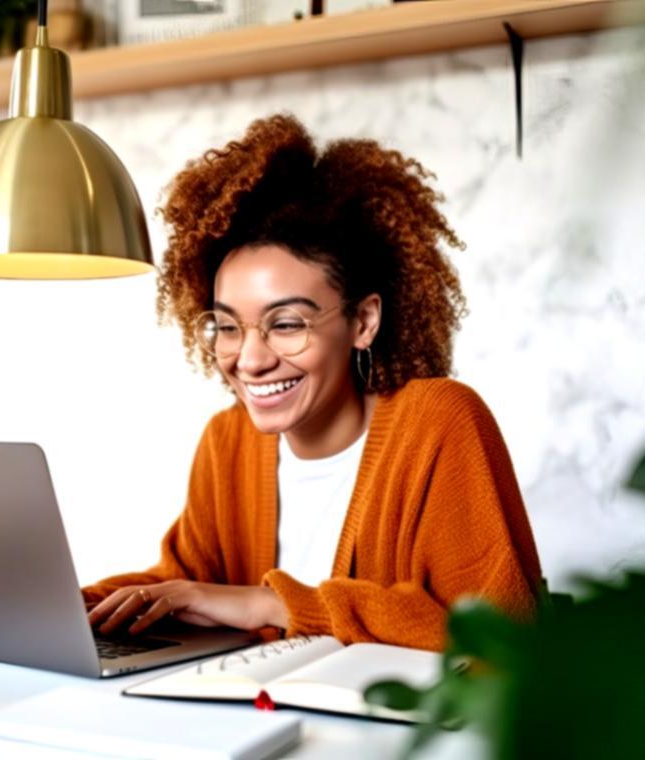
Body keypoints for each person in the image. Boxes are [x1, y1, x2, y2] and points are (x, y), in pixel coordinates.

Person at [85, 114, 542, 651]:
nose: (249, 360)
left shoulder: (439, 422)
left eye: (285, 324)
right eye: (228, 326)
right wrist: (69, 604)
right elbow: (182, 582)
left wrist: (271, 604)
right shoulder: (227, 441)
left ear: (363, 322)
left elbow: (504, 637)